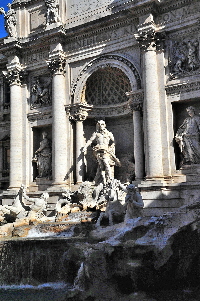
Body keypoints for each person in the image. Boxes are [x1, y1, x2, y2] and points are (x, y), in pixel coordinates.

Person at [83, 120, 120, 185]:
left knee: (106, 163)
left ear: (105, 125)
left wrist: (111, 147)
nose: (101, 126)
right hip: (98, 151)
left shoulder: (109, 133)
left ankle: (110, 179)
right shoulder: (96, 134)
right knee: (101, 166)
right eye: (99, 124)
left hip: (106, 151)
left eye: (102, 124)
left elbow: (115, 141)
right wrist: (85, 147)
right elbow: (90, 140)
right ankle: (98, 180)